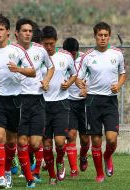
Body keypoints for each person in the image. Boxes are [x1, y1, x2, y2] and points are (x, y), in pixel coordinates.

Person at [0, 14, 35, 188]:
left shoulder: (18, 51)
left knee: (12, 142)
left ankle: (7, 170)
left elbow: (32, 72)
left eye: (1, 30)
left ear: (8, 32)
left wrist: (18, 68)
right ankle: (1, 176)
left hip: (16, 100)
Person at [76, 22, 126, 182]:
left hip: (110, 101)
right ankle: (99, 174)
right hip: (92, 101)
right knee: (96, 140)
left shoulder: (117, 54)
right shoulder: (88, 56)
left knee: (111, 140)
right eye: (100, 35)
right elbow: (78, 78)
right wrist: (82, 86)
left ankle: (108, 156)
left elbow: (123, 73)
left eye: (105, 35)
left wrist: (118, 85)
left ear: (109, 36)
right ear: (95, 36)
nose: (103, 38)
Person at [15, 18, 54, 188]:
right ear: (17, 33)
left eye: (30, 31)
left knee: (35, 143)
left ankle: (28, 167)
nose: (28, 34)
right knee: (22, 141)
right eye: (24, 31)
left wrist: (46, 80)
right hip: (19, 99)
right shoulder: (11, 51)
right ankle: (29, 178)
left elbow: (51, 67)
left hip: (37, 99)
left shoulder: (40, 50)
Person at [41, 26, 77, 185]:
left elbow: (74, 74)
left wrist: (68, 83)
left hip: (62, 104)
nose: (48, 47)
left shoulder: (66, 57)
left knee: (61, 142)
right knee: (47, 144)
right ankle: (51, 175)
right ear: (42, 42)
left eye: (51, 43)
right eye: (45, 44)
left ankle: (60, 161)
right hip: (42, 105)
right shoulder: (37, 57)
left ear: (56, 41)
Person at [63, 37, 90, 177]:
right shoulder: (61, 60)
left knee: (85, 138)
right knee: (71, 135)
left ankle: (83, 156)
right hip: (69, 102)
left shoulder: (86, 60)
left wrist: (87, 88)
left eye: (73, 54)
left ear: (76, 52)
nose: (70, 57)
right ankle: (74, 169)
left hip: (84, 102)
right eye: (69, 54)